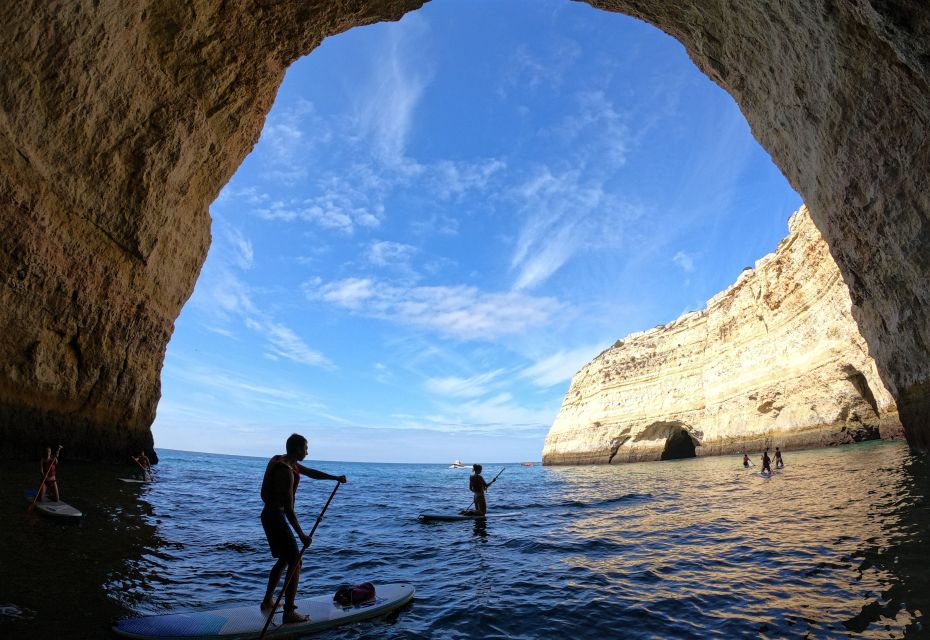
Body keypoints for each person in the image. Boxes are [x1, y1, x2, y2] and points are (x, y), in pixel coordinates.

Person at [259, 433, 347, 623]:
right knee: (296, 561)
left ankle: (267, 601)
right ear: (297, 449)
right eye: (306, 448)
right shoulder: (286, 472)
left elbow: (311, 473)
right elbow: (289, 509)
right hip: (276, 517)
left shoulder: (284, 461)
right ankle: (289, 612)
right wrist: (302, 535)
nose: (307, 452)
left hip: (270, 516)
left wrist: (335, 478)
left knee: (284, 559)